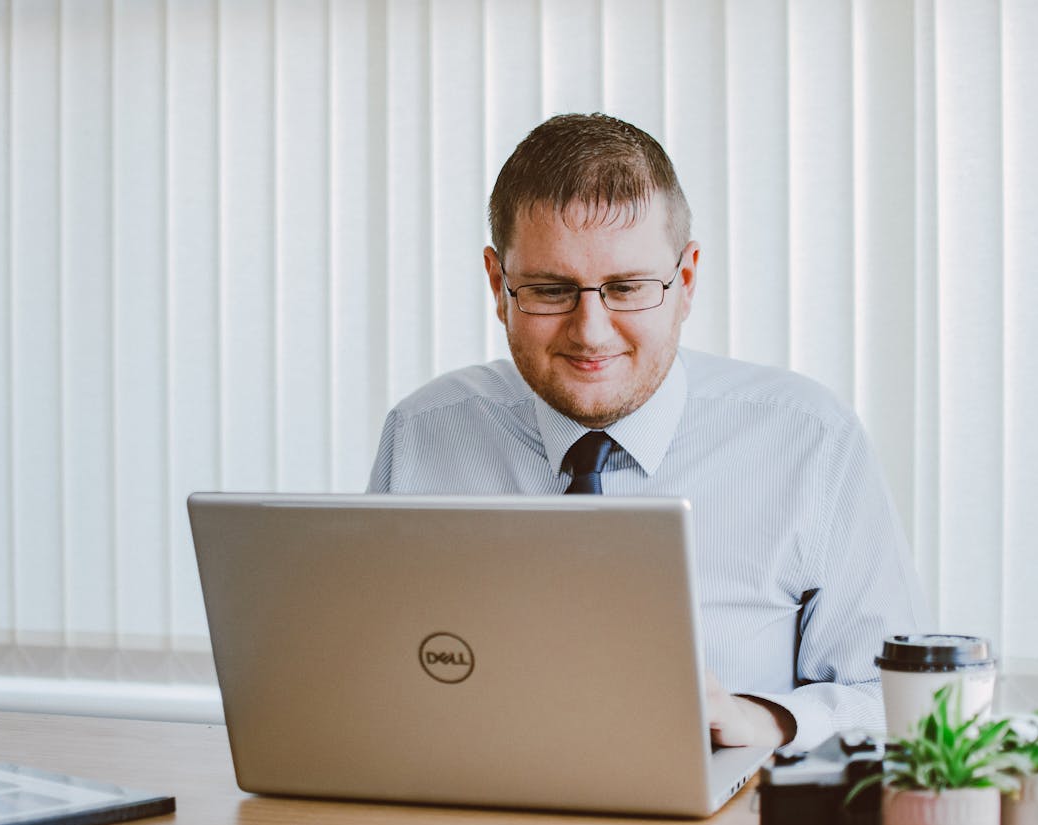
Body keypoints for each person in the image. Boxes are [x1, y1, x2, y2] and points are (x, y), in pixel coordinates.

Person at [367, 113, 931, 752]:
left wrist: (768, 719)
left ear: (684, 282)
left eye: (627, 288)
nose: (591, 333)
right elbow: (366, 677)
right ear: (500, 287)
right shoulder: (420, 435)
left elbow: (902, 704)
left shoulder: (810, 442)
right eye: (551, 291)